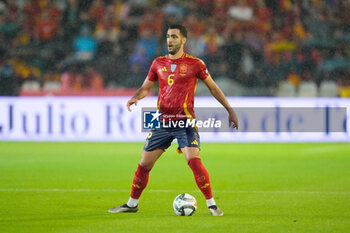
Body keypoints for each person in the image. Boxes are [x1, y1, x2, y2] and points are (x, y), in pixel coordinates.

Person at [108, 25, 238, 216]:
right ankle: (132, 204)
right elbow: (146, 87)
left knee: (193, 161)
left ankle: (212, 205)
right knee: (144, 164)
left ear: (183, 40)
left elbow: (214, 88)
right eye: (168, 36)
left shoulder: (196, 64)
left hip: (185, 121)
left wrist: (229, 110)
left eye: (174, 37)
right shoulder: (157, 63)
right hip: (161, 121)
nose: (170, 40)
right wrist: (136, 96)